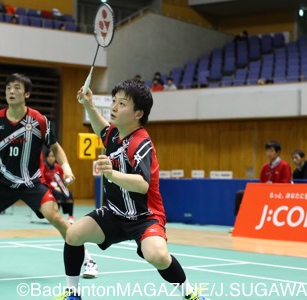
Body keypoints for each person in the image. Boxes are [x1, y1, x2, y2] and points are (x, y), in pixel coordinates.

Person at [54, 80, 209, 300]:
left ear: (138, 113)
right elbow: (102, 129)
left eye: (122, 104)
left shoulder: (140, 142)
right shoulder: (116, 134)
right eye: (114, 102)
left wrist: (111, 175)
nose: (114, 108)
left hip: (145, 217)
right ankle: (72, 292)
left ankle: (190, 294)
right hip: (115, 213)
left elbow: (142, 183)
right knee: (73, 234)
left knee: (157, 255)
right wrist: (88, 104)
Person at [0, 73, 98, 278]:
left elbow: (55, 148)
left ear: (27, 94)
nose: (11, 92)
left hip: (31, 183)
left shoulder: (39, 120)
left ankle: (88, 260)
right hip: (1, 182)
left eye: (17, 88)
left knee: (56, 217)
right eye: (8, 88)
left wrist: (65, 166)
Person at [231, 141, 291, 233]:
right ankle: (237, 224)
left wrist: (273, 186)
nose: (269, 153)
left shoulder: (284, 166)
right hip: (264, 193)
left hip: (278, 195)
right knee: (240, 194)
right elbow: (261, 182)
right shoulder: (265, 167)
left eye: (271, 151)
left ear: (278, 152)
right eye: (267, 151)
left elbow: (286, 183)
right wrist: (265, 186)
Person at [42, 149, 75, 224]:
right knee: (58, 195)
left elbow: (61, 180)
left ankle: (71, 216)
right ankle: (57, 216)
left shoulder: (58, 167)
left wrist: (66, 182)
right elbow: (43, 181)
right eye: (49, 156)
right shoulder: (43, 167)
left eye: (53, 156)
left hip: (59, 188)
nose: (51, 158)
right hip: (47, 188)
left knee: (69, 194)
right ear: (46, 157)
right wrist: (53, 187)